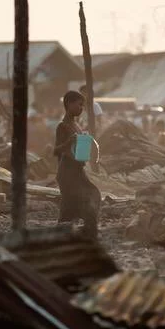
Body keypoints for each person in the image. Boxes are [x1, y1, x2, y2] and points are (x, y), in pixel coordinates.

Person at [54, 91, 101, 238]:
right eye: (79, 104)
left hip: (77, 171)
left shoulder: (76, 125)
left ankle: (84, 233)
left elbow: (78, 150)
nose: (81, 108)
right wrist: (68, 143)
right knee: (75, 204)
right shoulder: (62, 126)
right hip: (67, 173)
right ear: (69, 104)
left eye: (83, 105)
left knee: (89, 197)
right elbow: (56, 150)